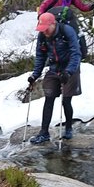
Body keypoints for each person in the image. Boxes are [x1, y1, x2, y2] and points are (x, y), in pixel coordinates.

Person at [27, 11, 82, 144]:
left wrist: (68, 72)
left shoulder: (67, 31)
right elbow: (40, 56)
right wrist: (35, 74)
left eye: (46, 28)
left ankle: (68, 128)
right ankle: (44, 133)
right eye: (42, 29)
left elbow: (76, 53)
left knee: (66, 100)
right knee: (49, 98)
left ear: (53, 24)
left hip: (70, 68)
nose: (44, 31)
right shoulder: (42, 36)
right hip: (54, 68)